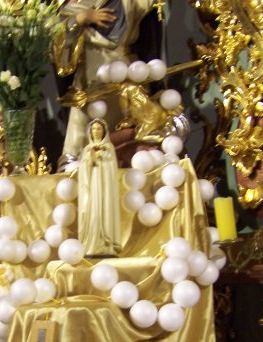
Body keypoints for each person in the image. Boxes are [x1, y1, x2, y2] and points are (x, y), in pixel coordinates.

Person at [54, 0, 157, 170]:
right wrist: (82, 17)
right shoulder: (72, 6)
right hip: (91, 77)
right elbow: (57, 36)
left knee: (129, 134)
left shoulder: (126, 3)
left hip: (125, 74)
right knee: (81, 133)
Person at [78, 118, 121, 257]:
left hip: (105, 187)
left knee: (105, 212)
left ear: (104, 132)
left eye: (99, 129)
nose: (96, 131)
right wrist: (90, 159)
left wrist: (101, 157)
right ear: (90, 132)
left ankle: (106, 245)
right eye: (94, 129)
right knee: (92, 213)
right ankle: (91, 245)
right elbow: (83, 169)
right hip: (92, 186)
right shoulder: (87, 149)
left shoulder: (109, 148)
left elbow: (111, 168)